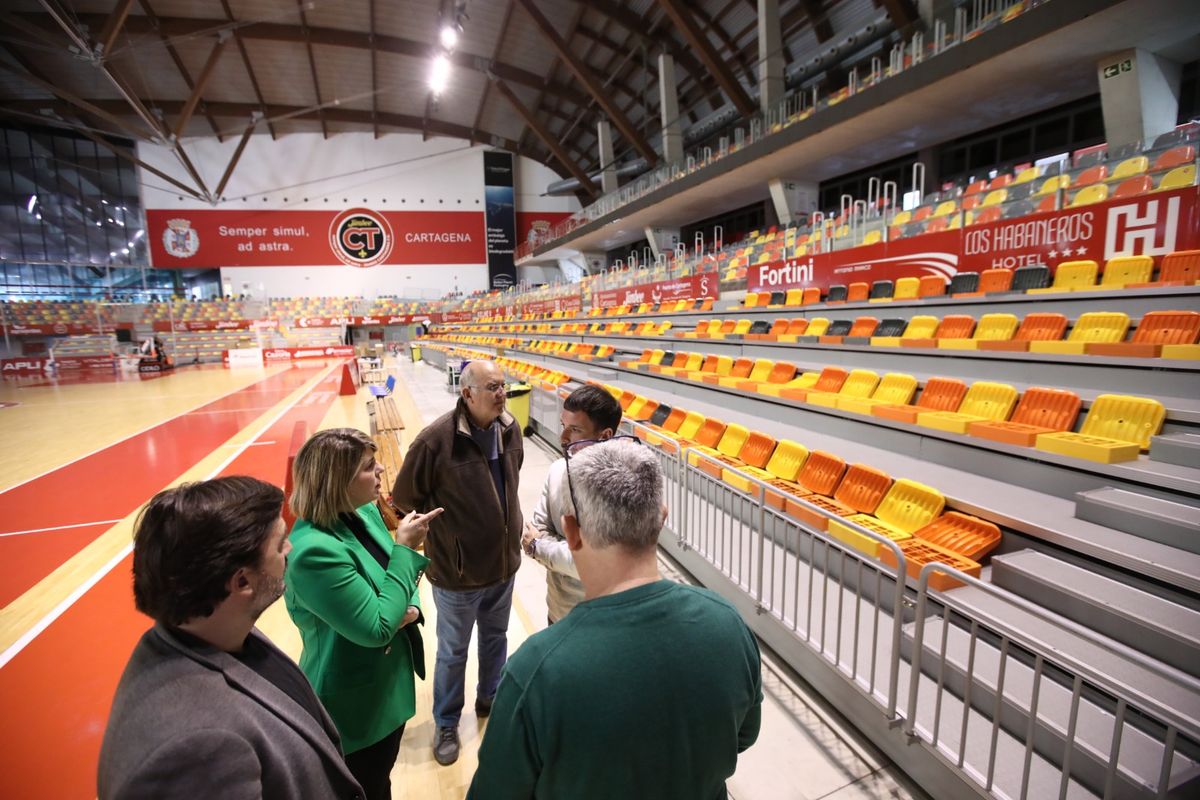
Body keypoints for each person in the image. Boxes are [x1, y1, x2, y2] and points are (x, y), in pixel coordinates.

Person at [468, 439, 763, 800]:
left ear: (572, 532)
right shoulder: (728, 624)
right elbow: (744, 736)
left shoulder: (534, 672)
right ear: (662, 517)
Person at [98, 476, 363, 799]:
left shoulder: (220, 632)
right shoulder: (192, 749)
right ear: (241, 582)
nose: (290, 547)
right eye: (280, 544)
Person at [285, 428, 442, 800]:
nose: (382, 470)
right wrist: (405, 548)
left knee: (381, 779)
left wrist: (409, 605)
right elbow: (377, 626)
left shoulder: (363, 512)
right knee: (366, 787)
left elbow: (394, 585)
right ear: (336, 481)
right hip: (352, 707)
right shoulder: (313, 552)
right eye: (370, 467)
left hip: (386, 686)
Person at [392, 358, 524, 767]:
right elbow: (403, 499)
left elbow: (510, 484)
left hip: (503, 567)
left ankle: (490, 699)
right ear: (467, 394)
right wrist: (444, 539)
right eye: (493, 388)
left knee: (495, 639)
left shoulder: (510, 429)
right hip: (457, 575)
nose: (502, 394)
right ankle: (446, 722)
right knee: (453, 652)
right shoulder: (435, 442)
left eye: (504, 386)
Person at [521, 384, 622, 624]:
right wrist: (567, 549)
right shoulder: (557, 470)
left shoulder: (622, 486)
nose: (563, 438)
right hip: (558, 610)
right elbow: (540, 525)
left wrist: (538, 547)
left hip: (603, 621)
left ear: (605, 436)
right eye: (563, 426)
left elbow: (591, 562)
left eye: (575, 430)